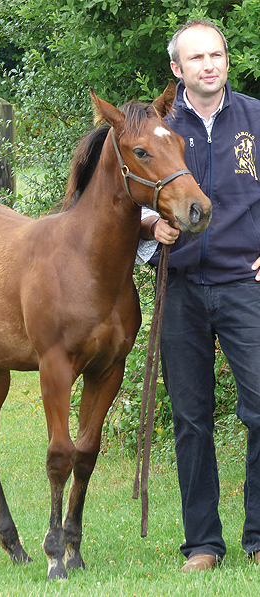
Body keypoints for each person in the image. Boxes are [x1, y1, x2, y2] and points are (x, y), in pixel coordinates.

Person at [138, 19, 260, 572]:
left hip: (245, 287)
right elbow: (126, 195)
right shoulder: (159, 126)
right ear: (176, 69)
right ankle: (204, 544)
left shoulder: (256, 119)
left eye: (217, 55)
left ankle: (258, 537)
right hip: (180, 287)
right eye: (197, 58)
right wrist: (149, 228)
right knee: (191, 418)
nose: (210, 65)